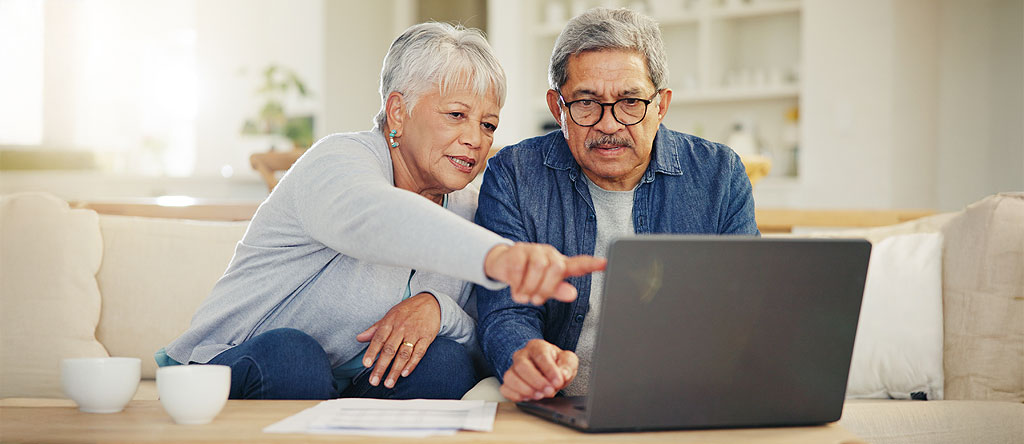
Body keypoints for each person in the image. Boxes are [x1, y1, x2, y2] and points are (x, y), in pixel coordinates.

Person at [158, 22, 605, 401]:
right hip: (229, 366)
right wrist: (499, 257)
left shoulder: (470, 207)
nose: (476, 138)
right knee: (296, 357)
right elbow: (375, 218)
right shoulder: (337, 162)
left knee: (446, 363)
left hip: (352, 384)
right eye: (456, 115)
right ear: (397, 111)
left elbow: (480, 333)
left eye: (488, 124)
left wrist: (437, 308)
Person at [475, 7, 760, 402]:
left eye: (629, 101)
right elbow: (504, 311)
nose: (609, 125)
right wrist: (523, 354)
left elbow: (745, 307)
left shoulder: (719, 174)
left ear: (660, 105)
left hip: (686, 399)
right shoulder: (514, 174)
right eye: (586, 103)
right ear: (558, 109)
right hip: (557, 401)